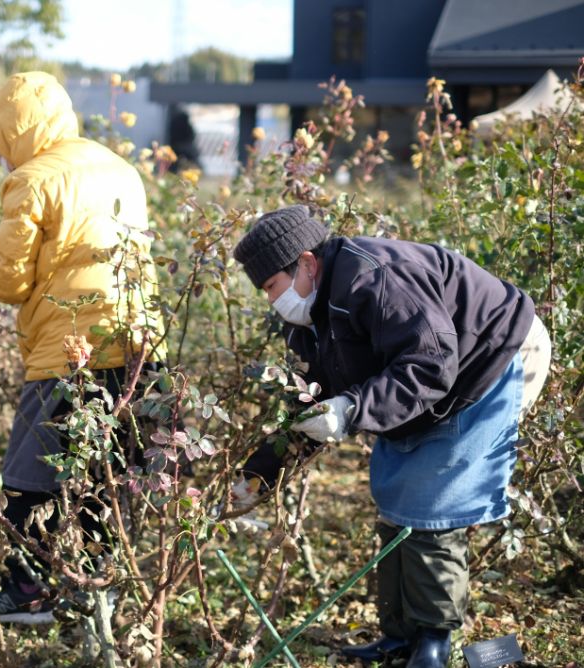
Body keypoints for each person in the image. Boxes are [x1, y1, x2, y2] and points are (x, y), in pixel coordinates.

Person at [232, 205, 551, 668]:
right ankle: (400, 636)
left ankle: (434, 642)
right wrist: (259, 474)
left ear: (305, 263)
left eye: (270, 287)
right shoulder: (311, 321)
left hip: (494, 356)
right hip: (440, 372)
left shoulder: (376, 276)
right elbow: (313, 408)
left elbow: (429, 365)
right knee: (394, 490)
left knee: (433, 500)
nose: (270, 301)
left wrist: (353, 408)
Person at [0, 71, 164, 623]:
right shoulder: (123, 169)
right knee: (105, 471)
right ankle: (94, 586)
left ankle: (27, 591)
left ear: (9, 134)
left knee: (29, 473)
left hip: (67, 348)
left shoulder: (32, 179)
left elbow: (7, 283)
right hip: (136, 345)